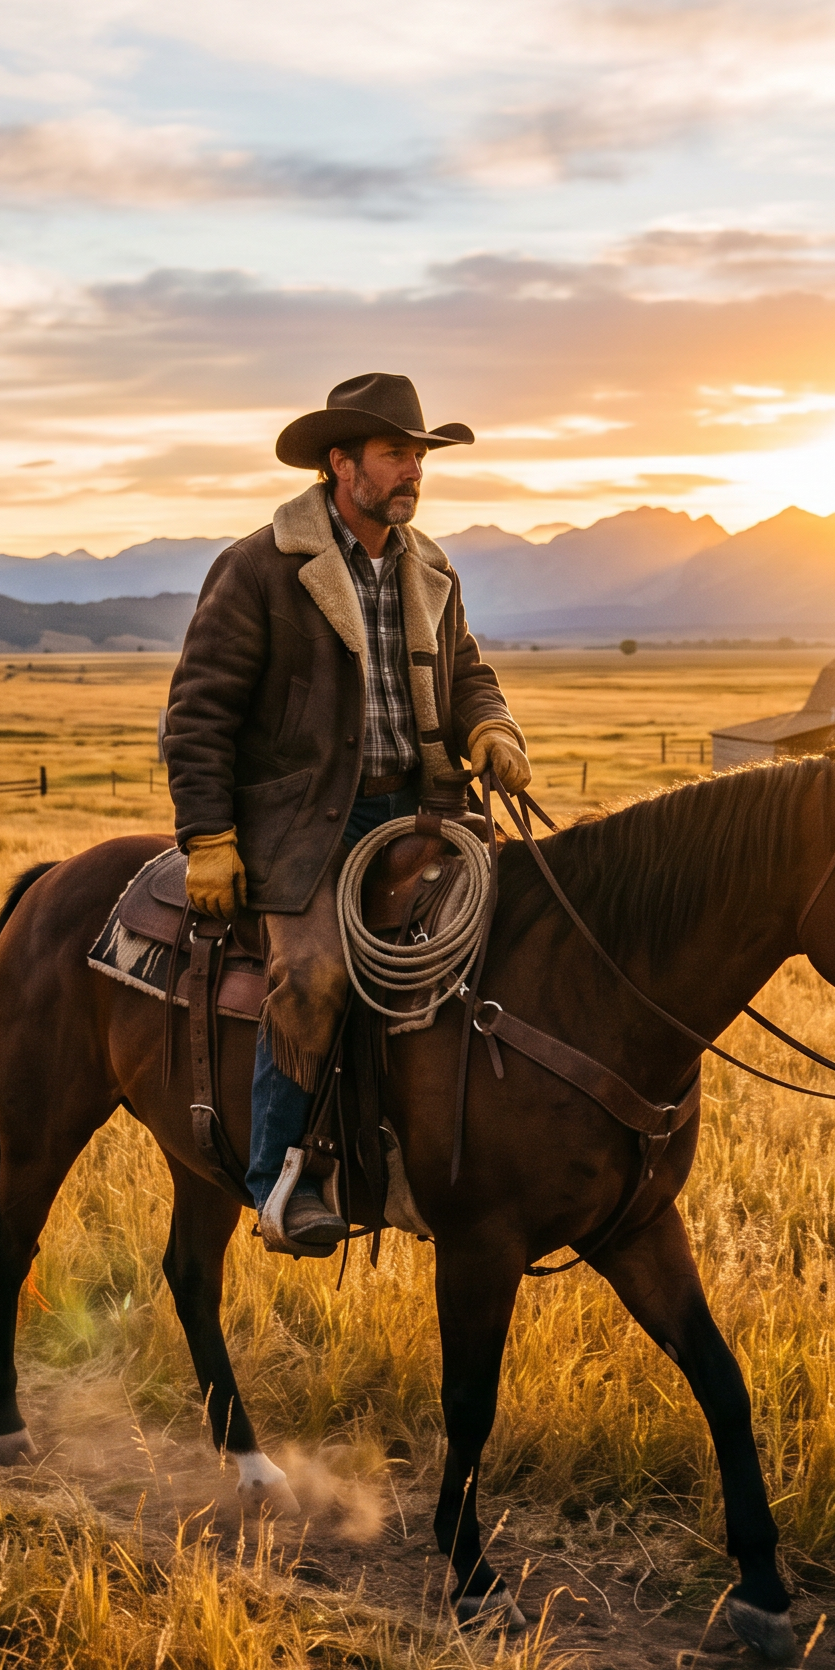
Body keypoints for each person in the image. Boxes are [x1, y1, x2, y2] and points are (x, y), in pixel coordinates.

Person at [162, 373, 533, 1253]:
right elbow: (199, 709)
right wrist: (209, 838)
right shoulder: (262, 567)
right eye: (396, 454)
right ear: (341, 465)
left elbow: (468, 668)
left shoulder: (430, 566)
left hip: (425, 810)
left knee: (526, 938)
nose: (412, 471)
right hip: (307, 829)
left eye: (418, 456)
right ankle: (283, 1179)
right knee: (317, 974)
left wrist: (491, 725)